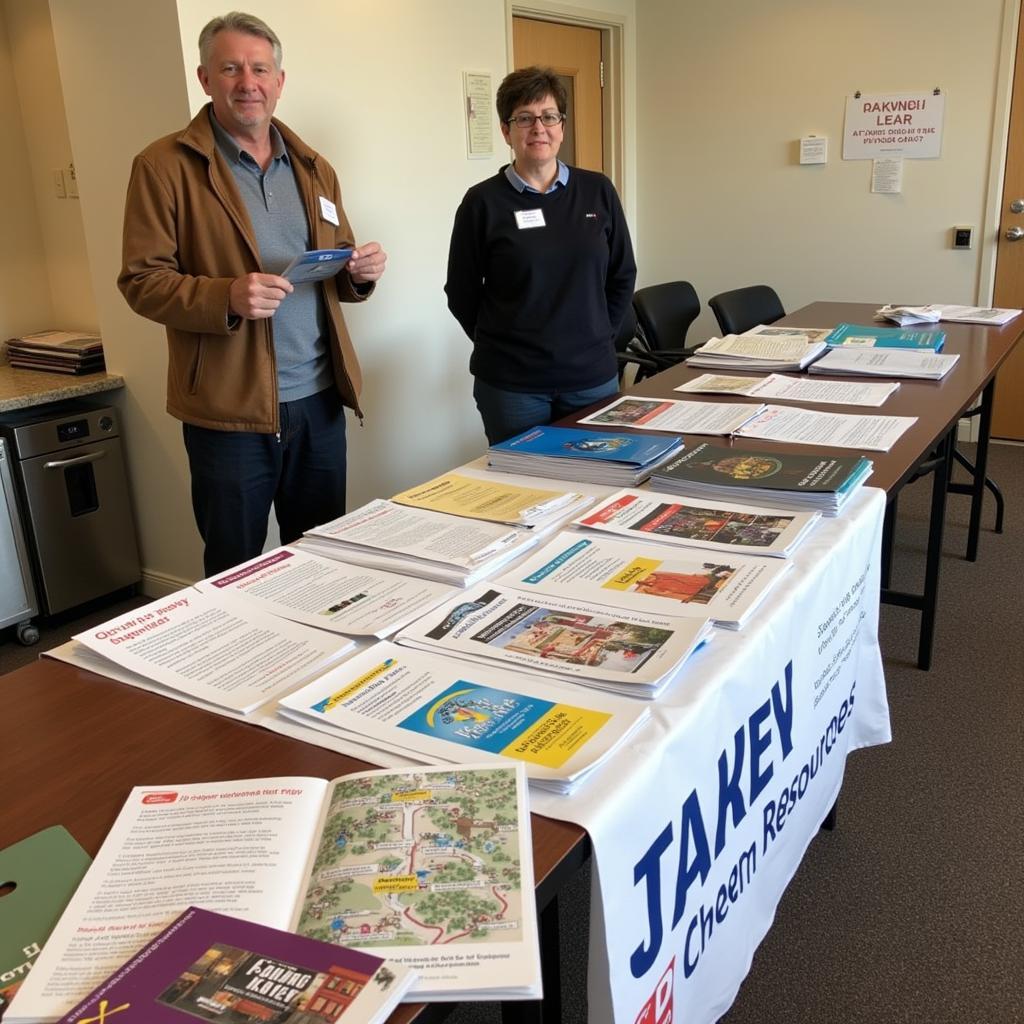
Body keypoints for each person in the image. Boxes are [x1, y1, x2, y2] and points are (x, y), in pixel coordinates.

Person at [118, 11, 386, 576]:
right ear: (205, 78)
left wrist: (359, 271)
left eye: (260, 69)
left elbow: (335, 259)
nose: (248, 83)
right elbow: (141, 282)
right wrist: (225, 298)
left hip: (317, 399)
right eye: (231, 68)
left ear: (279, 81)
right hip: (228, 411)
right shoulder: (164, 167)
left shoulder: (315, 168)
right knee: (235, 569)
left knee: (317, 562)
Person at [445, 66, 637, 445]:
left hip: (591, 379)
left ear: (561, 126)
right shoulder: (482, 202)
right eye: (525, 118)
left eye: (549, 117)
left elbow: (622, 274)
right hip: (513, 387)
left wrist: (598, 336)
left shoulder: (597, 190)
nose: (539, 128)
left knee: (598, 479)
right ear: (506, 130)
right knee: (525, 489)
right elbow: (461, 292)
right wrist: (504, 346)